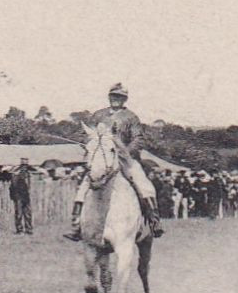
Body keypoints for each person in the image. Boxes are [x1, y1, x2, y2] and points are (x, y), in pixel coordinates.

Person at [65, 83, 164, 240]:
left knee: (143, 184)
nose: (115, 99)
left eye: (119, 97)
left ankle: (154, 221)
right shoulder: (98, 115)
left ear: (124, 99)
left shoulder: (131, 117)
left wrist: (124, 152)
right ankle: (76, 225)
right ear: (109, 97)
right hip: (102, 159)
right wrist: (91, 144)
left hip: (125, 160)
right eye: (113, 96)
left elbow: (138, 139)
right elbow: (86, 133)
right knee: (84, 186)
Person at [10, 157, 34, 235]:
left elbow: (29, 186)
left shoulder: (28, 174)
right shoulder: (16, 174)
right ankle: (19, 230)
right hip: (18, 196)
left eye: (26, 166)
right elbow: (13, 186)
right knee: (19, 214)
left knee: (28, 213)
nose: (25, 168)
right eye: (23, 166)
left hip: (26, 196)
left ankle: (29, 229)